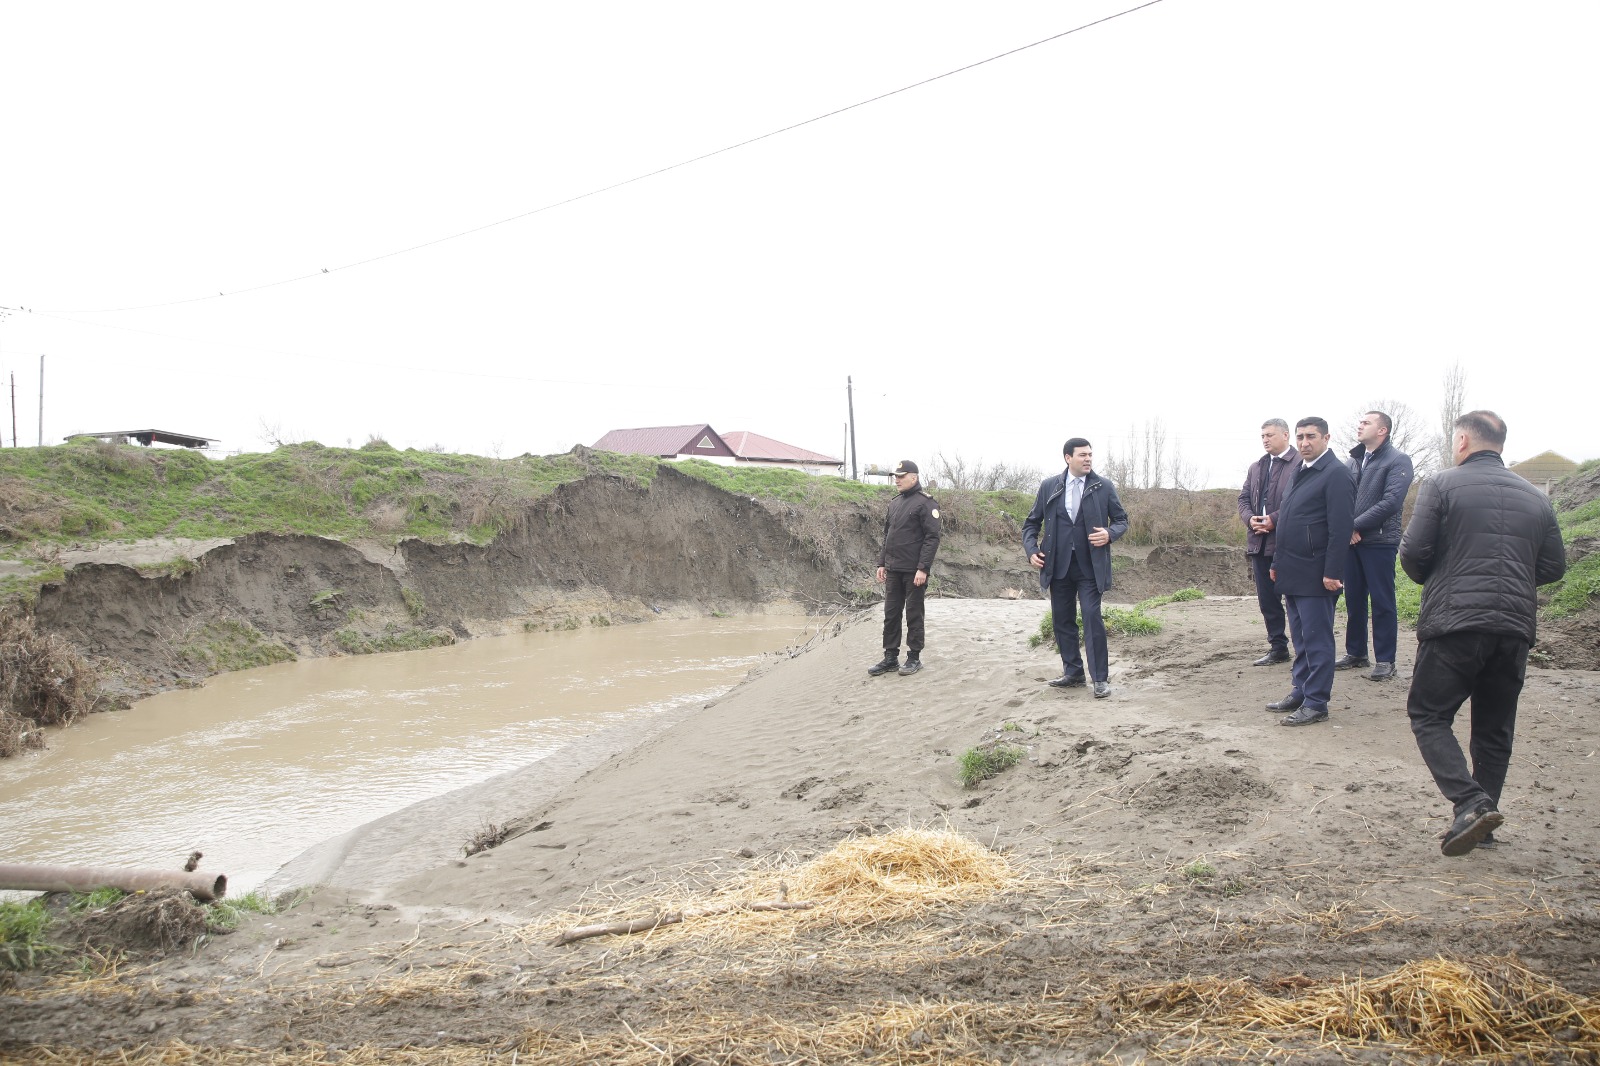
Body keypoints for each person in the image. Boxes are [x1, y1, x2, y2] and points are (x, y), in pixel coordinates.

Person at [1400, 410, 1565, 857]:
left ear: (1463, 443)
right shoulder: (1536, 496)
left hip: (1454, 623)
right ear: (1501, 444)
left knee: (1429, 715)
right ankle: (1484, 826)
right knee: (1494, 730)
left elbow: (1414, 552)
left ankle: (1471, 803)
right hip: (1513, 628)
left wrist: (1443, 576)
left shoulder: (1441, 484)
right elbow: (1553, 567)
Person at [1022, 438, 1129, 699]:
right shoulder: (1049, 486)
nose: (1088, 459)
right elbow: (1031, 524)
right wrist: (1031, 551)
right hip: (1057, 565)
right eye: (1082, 455)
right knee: (1062, 619)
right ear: (1068, 458)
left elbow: (1121, 520)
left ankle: (1100, 679)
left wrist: (1109, 533)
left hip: (1091, 566)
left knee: (1092, 617)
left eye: (1090, 454)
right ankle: (1073, 672)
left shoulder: (1103, 486)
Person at [1267, 418, 1356, 726]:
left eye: (1311, 437)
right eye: (1301, 437)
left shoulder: (1336, 475)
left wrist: (1333, 571)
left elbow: (1341, 527)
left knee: (1317, 639)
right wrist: (1276, 563)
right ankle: (1300, 690)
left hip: (1318, 572)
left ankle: (1317, 701)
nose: (1305, 442)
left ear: (1326, 438)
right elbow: (1288, 522)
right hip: (1292, 570)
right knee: (1301, 639)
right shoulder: (1299, 472)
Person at [1337, 410, 1415, 681]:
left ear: (1382, 430)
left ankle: (1385, 660)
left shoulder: (1398, 460)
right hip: (1352, 540)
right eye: (1360, 421)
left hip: (1380, 540)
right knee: (1354, 598)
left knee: (1382, 600)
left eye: (1366, 422)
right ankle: (1356, 653)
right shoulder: (1353, 461)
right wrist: (1347, 528)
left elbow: (1392, 502)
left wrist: (1354, 526)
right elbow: (1341, 499)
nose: (1360, 426)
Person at [867, 460, 942, 677]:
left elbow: (932, 538)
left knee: (913, 613)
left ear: (914, 477)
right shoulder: (895, 503)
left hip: (914, 571)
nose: (897, 480)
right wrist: (882, 563)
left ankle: (914, 658)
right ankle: (890, 657)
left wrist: (923, 568)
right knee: (891, 614)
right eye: (895, 476)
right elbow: (887, 537)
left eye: (901, 476)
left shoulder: (926, 503)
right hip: (893, 568)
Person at [1238, 418, 1299, 666]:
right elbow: (1243, 498)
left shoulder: (1299, 464)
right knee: (1267, 600)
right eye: (1262, 436)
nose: (1265, 440)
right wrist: (1249, 519)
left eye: (1270, 435)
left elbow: (1301, 503)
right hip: (1259, 542)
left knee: (1295, 597)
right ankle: (1278, 647)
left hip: (1289, 542)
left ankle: (1305, 648)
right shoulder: (1257, 467)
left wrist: (1274, 519)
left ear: (1285, 435)